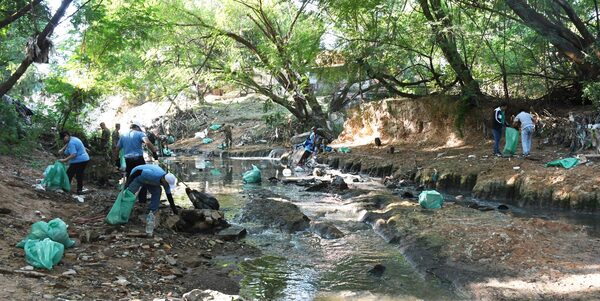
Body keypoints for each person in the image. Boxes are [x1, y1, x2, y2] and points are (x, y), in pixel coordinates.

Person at [124, 164, 178, 234]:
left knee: (157, 191)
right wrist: (127, 184)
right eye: (167, 184)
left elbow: (169, 195)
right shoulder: (153, 174)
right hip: (138, 176)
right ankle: (124, 209)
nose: (167, 186)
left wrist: (174, 210)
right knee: (129, 193)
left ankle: (152, 212)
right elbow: (137, 172)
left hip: (149, 181)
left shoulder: (166, 183)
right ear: (164, 180)